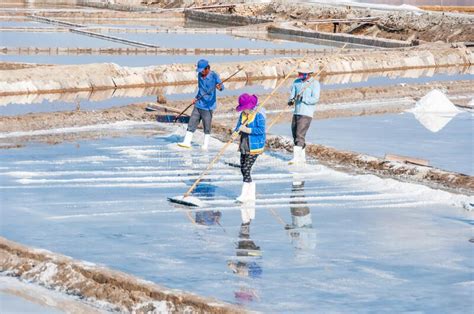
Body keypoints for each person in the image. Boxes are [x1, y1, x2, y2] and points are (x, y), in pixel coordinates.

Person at [178, 59, 224, 150]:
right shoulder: (199, 75)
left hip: (208, 106)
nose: (201, 72)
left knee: (207, 125)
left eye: (202, 70)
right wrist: (196, 97)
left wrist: (219, 87)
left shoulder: (214, 76)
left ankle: (205, 145)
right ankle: (186, 142)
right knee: (192, 121)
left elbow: (221, 87)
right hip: (199, 103)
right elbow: (200, 89)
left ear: (207, 68)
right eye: (200, 70)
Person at [234, 93, 266, 203]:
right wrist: (235, 133)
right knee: (243, 168)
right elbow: (238, 126)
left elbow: (261, 130)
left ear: (250, 106)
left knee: (246, 169)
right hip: (244, 144)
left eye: (245, 108)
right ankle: (251, 193)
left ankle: (243, 195)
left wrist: (248, 130)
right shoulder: (243, 115)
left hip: (254, 146)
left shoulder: (258, 115)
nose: (244, 111)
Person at [287, 62, 320, 164]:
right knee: (295, 134)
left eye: (302, 73)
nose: (300, 74)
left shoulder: (314, 83)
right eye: (299, 73)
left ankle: (296, 159)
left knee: (299, 134)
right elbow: (292, 95)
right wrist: (291, 100)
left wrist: (303, 98)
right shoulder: (296, 82)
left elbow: (315, 99)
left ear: (308, 74)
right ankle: (302, 158)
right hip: (296, 112)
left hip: (306, 113)